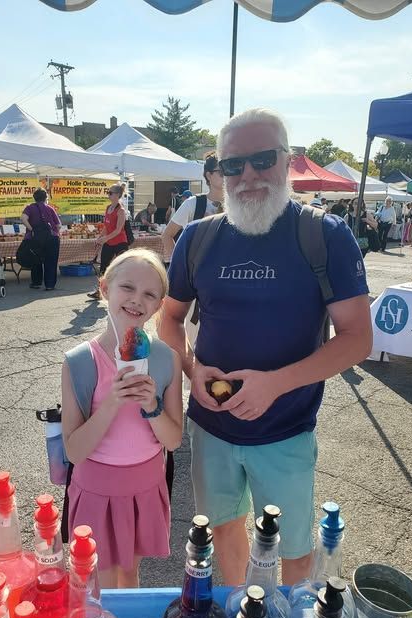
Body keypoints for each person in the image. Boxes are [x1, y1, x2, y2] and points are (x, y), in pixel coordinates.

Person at [158, 108, 372, 587]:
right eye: (234, 164)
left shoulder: (324, 235)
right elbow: (169, 319)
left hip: (286, 430)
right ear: (218, 172)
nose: (249, 175)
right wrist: (191, 369)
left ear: (288, 159)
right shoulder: (198, 239)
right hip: (210, 428)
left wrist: (276, 384)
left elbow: (358, 339)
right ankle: (240, 615)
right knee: (222, 531)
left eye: (262, 159)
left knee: (295, 551)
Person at [61, 249, 182, 588]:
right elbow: (74, 452)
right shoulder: (79, 363)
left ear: (159, 305)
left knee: (129, 572)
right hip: (95, 488)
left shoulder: (166, 360)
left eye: (149, 294)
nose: (136, 300)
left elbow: (172, 441)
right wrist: (112, 402)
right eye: (127, 288)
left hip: (143, 486)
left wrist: (152, 406)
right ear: (104, 288)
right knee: (95, 576)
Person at [162, 154, 224, 262]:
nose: (228, 175)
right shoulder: (193, 203)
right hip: (199, 272)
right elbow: (167, 235)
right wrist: (179, 266)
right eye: (222, 172)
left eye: (231, 170)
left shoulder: (240, 205)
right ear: (209, 175)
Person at [87, 182, 130, 300]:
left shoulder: (120, 210)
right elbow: (106, 227)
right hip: (109, 242)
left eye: (110, 193)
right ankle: (99, 291)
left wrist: (104, 239)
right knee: (103, 267)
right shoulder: (108, 208)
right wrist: (100, 238)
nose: (108, 195)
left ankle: (125, 292)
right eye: (108, 192)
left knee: (123, 268)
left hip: (120, 242)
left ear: (117, 195)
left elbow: (118, 230)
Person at [21, 188, 62, 291]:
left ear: (34, 198)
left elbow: (23, 218)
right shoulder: (50, 208)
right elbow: (58, 225)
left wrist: (32, 229)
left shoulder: (29, 208)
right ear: (45, 198)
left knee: (36, 260)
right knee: (51, 261)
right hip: (51, 238)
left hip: (35, 238)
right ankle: (50, 285)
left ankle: (36, 283)